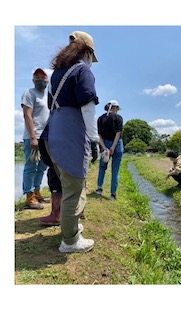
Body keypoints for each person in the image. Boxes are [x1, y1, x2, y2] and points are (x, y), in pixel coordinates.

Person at [40, 30, 99, 253]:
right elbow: (88, 107)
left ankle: (71, 227)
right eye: (91, 58)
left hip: (52, 130)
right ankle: (71, 241)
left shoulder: (56, 74)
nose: (91, 62)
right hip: (70, 133)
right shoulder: (82, 71)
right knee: (74, 188)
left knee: (67, 185)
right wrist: (94, 139)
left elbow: (50, 105)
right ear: (86, 52)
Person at [21, 68, 51, 210]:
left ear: (47, 80)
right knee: (30, 166)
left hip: (45, 137)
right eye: (37, 77)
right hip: (33, 137)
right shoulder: (29, 93)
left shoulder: (47, 97)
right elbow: (27, 115)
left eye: (43, 77)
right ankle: (29, 196)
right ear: (33, 80)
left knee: (42, 166)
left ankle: (37, 192)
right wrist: (33, 137)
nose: (40, 79)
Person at [95, 100, 124, 200]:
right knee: (115, 170)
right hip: (118, 145)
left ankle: (99, 188)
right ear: (114, 108)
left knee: (102, 167)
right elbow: (118, 133)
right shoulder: (119, 118)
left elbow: (99, 135)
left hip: (105, 143)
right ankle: (113, 194)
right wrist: (113, 147)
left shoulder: (100, 118)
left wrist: (104, 148)